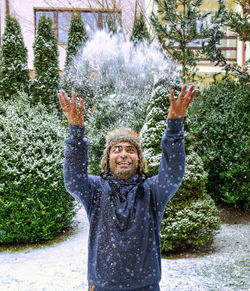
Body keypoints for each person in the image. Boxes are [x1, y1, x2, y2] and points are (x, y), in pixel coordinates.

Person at [58, 84, 198, 291]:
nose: (124, 154)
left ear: (139, 159)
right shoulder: (95, 189)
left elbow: (173, 173)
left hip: (146, 287)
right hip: (102, 286)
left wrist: (175, 126)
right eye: (117, 149)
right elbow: (73, 180)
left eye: (130, 149)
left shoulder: (152, 191)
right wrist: (76, 133)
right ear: (107, 158)